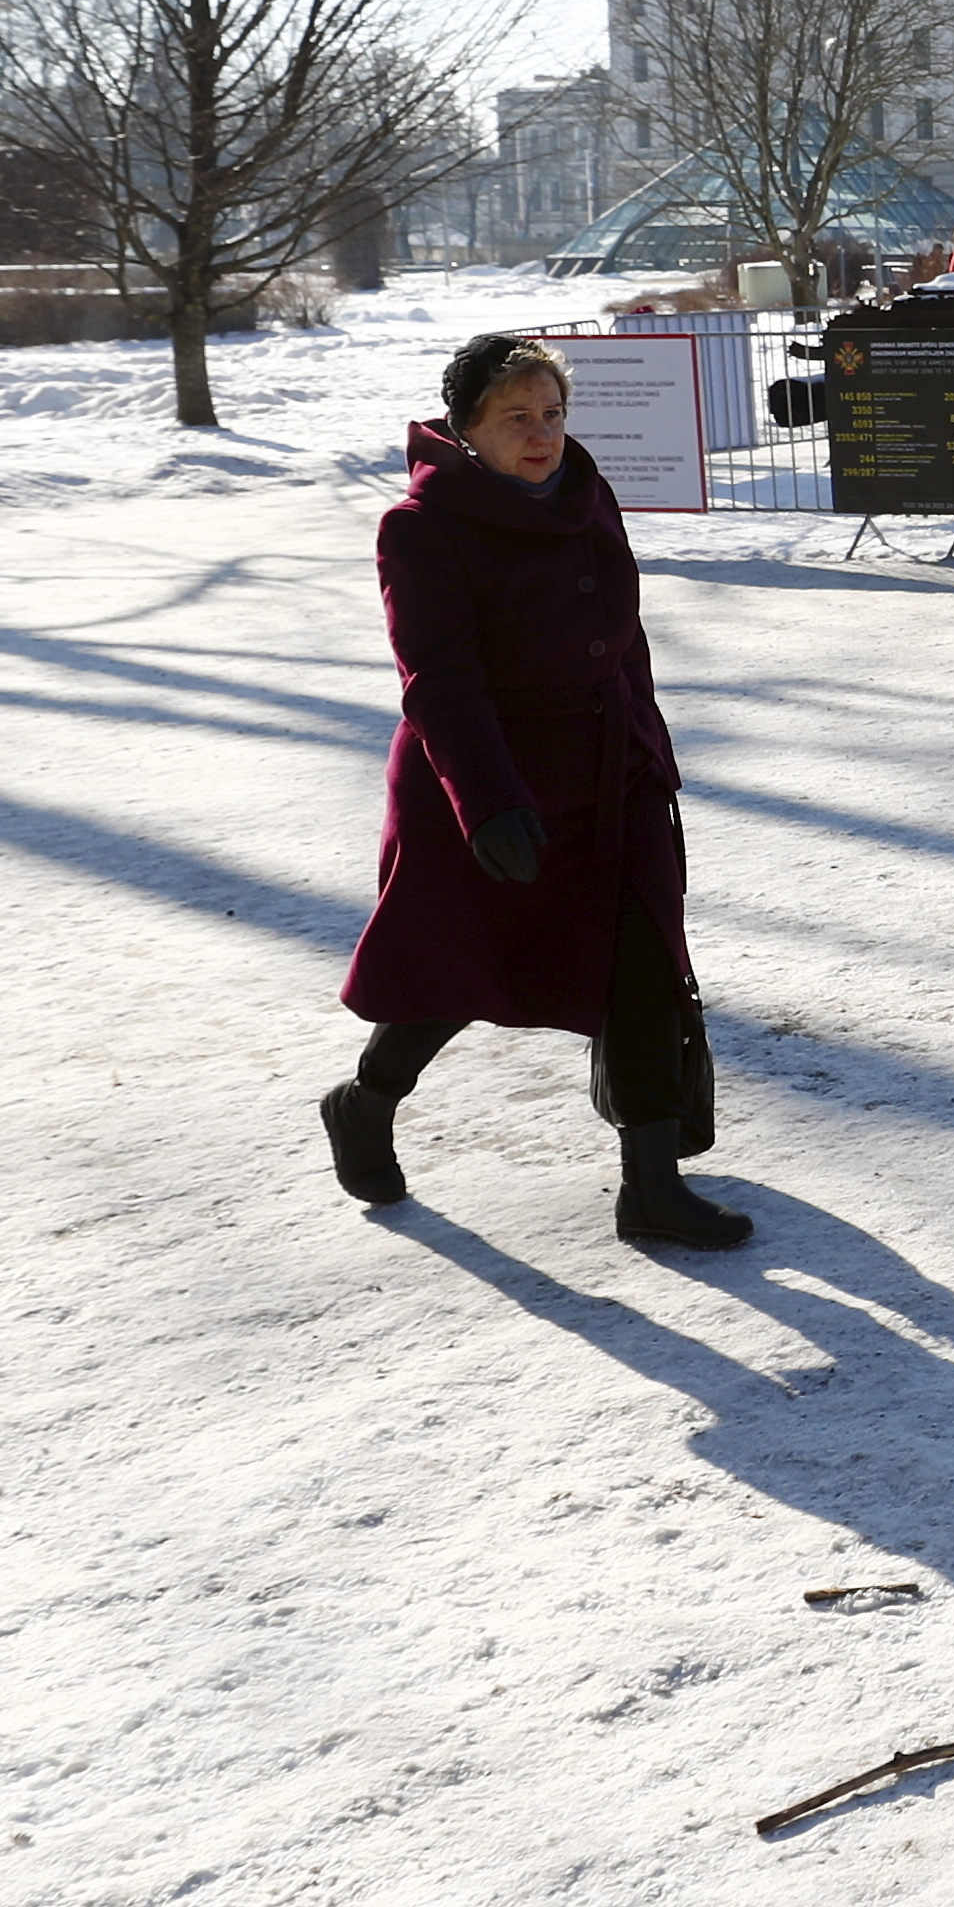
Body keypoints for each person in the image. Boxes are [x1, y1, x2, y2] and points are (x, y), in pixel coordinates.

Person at [317, 332, 749, 1249]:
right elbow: (438, 680)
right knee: (459, 968)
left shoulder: (587, 498)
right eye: (516, 417)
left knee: (642, 966)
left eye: (552, 412)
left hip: (609, 777)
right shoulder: (422, 526)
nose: (542, 433)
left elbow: (623, 645)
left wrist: (647, 754)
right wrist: (488, 801)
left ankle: (652, 1187)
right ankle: (366, 1101)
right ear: (467, 428)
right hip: (483, 784)